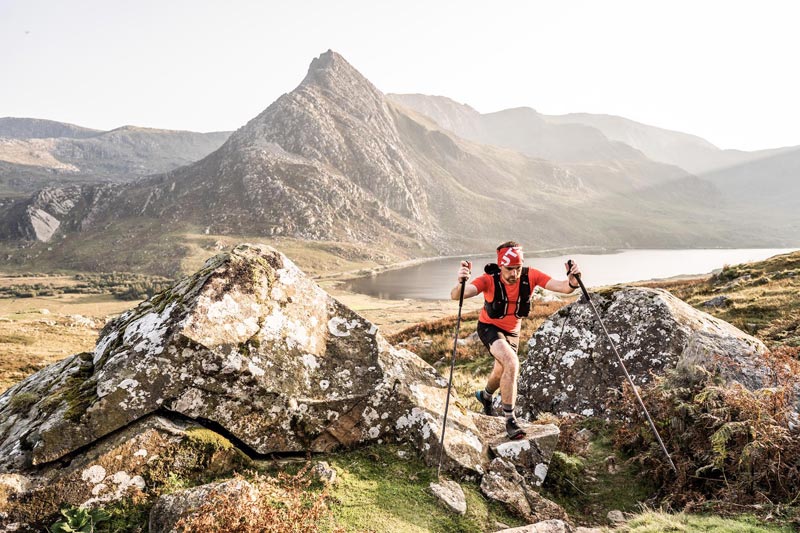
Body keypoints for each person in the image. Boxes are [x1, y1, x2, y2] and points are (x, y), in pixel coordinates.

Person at [451, 241, 581, 439]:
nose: (514, 274)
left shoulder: (531, 276)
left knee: (500, 370)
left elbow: (563, 288)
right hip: (489, 327)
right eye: (509, 269)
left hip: (512, 332)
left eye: (518, 268)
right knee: (511, 362)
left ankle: (485, 396)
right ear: (500, 266)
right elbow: (457, 295)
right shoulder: (489, 280)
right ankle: (510, 419)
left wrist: (572, 281)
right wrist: (461, 282)